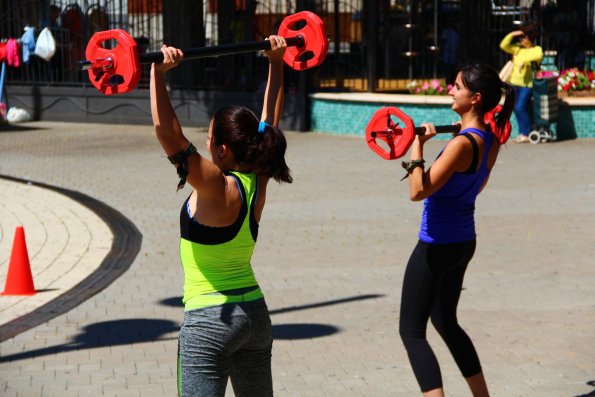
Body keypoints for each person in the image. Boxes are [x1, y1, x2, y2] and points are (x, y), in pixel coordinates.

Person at [150, 35, 292, 397]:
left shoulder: (214, 184)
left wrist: (158, 73)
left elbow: (168, 133)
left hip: (208, 321)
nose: (206, 142)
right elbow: (270, 123)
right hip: (255, 316)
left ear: (222, 149)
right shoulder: (256, 178)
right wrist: (276, 62)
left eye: (209, 136)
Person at [398, 63, 516, 397]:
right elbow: (475, 187)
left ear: (475, 98)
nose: (451, 89)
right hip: (464, 242)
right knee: (446, 322)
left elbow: (417, 191)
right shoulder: (489, 141)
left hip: (437, 245)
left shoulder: (461, 144)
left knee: (411, 331)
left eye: (457, 86)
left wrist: (417, 145)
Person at [499, 22, 543, 143]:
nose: (521, 40)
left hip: (526, 85)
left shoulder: (536, 49)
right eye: (520, 37)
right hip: (514, 84)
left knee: (520, 107)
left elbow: (539, 56)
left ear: (529, 38)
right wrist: (513, 34)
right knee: (516, 108)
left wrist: (525, 61)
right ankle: (524, 131)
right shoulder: (517, 49)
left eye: (524, 37)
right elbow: (503, 45)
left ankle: (525, 133)